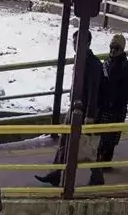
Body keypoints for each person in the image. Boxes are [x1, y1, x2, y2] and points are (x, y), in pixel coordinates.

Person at [36, 36, 104, 187]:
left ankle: (97, 175)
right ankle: (56, 172)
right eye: (74, 42)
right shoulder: (80, 60)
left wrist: (90, 115)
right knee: (65, 141)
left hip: (83, 111)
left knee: (85, 146)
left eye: (79, 42)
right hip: (74, 108)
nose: (75, 45)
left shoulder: (93, 64)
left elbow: (93, 91)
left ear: (87, 43)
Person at [91, 34, 128, 185]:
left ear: (122, 49)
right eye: (111, 47)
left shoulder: (127, 67)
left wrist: (118, 95)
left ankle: (102, 164)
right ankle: (99, 165)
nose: (113, 50)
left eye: (116, 48)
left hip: (117, 107)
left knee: (110, 137)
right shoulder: (105, 63)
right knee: (101, 137)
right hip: (104, 106)